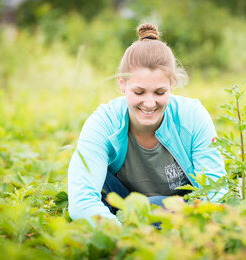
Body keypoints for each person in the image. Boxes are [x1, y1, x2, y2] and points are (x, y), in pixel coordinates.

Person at [68, 23, 226, 225]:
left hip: (180, 207)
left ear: (172, 84)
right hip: (120, 205)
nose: (150, 103)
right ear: (122, 84)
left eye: (159, 92)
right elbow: (81, 201)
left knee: (153, 206)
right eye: (139, 92)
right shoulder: (103, 122)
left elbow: (216, 193)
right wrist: (123, 236)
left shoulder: (193, 117)